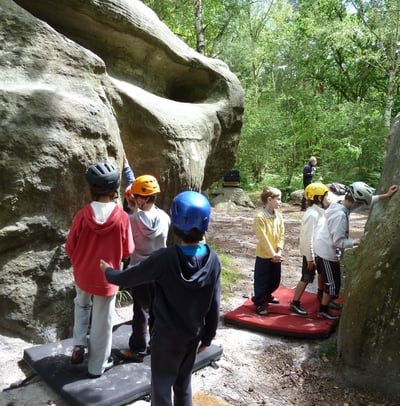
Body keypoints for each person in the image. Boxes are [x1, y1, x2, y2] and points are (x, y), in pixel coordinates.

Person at [100, 191, 221, 406]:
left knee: (162, 384)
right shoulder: (213, 260)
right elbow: (214, 304)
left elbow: (129, 277)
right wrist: (208, 336)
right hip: (193, 333)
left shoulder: (164, 258)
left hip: (166, 336)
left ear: (175, 223)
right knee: (183, 383)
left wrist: (108, 272)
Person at [65, 162, 134, 378]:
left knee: (81, 304)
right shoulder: (121, 217)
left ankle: (78, 344)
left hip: (83, 273)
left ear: (91, 189)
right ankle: (96, 366)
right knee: (103, 321)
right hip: (107, 277)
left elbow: (70, 247)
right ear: (114, 191)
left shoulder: (83, 215)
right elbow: (128, 250)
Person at [314, 181, 398, 320]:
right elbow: (338, 241)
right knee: (333, 284)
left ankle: (326, 302)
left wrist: (387, 195)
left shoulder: (341, 202)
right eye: (359, 204)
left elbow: (368, 202)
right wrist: (356, 242)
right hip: (327, 252)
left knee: (331, 281)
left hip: (326, 247)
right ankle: (323, 309)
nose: (360, 207)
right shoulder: (340, 215)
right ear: (355, 202)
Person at [116, 175, 171, 363]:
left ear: (142, 199)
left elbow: (128, 242)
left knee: (141, 311)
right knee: (158, 310)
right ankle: (157, 345)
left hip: (140, 271)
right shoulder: (165, 217)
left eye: (135, 196)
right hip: (161, 271)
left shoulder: (132, 220)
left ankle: (138, 349)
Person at [290, 182, 330, 315]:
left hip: (320, 251)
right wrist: (310, 258)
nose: (327, 199)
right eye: (326, 196)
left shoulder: (320, 211)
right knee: (306, 277)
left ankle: (320, 294)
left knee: (322, 275)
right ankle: (295, 302)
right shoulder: (312, 215)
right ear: (319, 198)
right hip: (312, 254)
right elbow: (307, 238)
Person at [251, 186, 285, 316]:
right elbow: (263, 238)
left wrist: (279, 250)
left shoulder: (279, 216)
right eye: (279, 199)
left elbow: (282, 234)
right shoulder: (260, 218)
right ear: (269, 200)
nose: (280, 202)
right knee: (261, 280)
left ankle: (268, 294)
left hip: (277, 255)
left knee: (275, 279)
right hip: (264, 255)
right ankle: (259, 302)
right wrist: (272, 254)